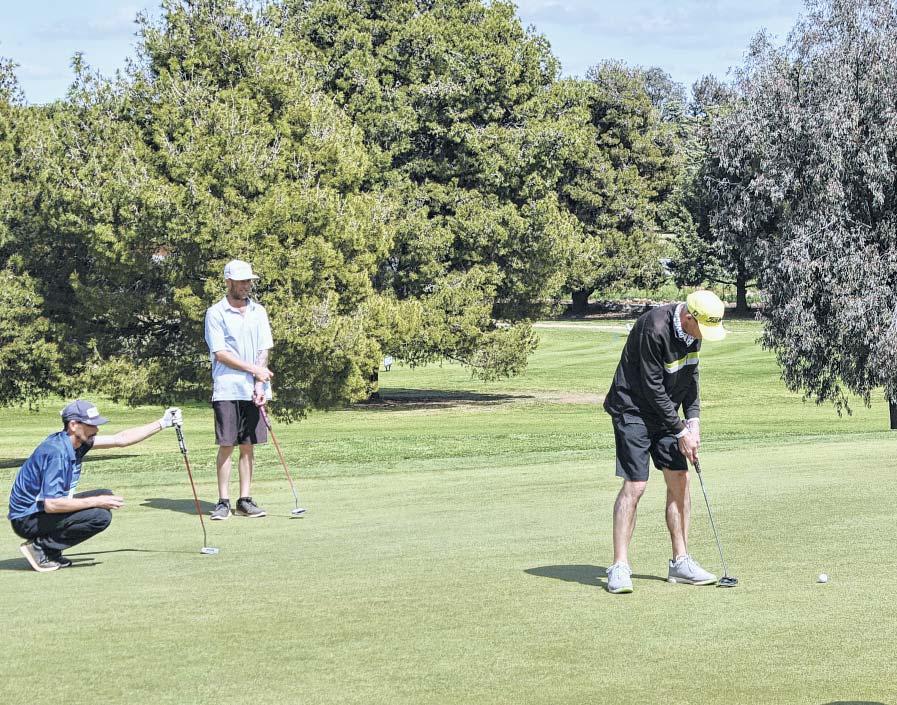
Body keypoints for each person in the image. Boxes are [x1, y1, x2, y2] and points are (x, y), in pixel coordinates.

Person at [602, 290, 727, 594]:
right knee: (636, 485)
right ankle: (619, 566)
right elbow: (652, 386)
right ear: (688, 317)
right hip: (632, 409)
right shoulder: (654, 328)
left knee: (680, 479)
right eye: (702, 328)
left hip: (665, 414)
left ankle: (680, 562)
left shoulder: (693, 334)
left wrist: (693, 422)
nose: (703, 335)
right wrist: (680, 431)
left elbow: (690, 378)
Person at [8, 400, 183, 572]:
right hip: (27, 519)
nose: (97, 429)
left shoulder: (74, 442)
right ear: (73, 425)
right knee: (100, 516)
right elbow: (52, 505)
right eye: (91, 425)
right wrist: (97, 501)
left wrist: (163, 422)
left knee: (105, 495)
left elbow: (120, 439)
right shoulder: (57, 452)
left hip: (38, 512)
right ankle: (41, 548)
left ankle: (50, 550)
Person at [204, 259, 273, 520]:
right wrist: (254, 370)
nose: (246, 286)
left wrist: (259, 382)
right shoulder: (216, 313)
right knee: (227, 444)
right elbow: (220, 354)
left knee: (248, 445)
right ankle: (223, 501)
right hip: (227, 387)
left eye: (249, 281)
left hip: (254, 388)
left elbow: (264, 349)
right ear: (228, 282)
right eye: (242, 281)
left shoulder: (259, 311)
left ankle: (244, 500)